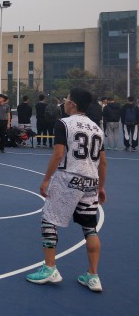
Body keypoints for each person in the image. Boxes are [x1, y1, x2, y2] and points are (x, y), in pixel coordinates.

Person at [26, 88, 107, 293]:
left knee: (49, 219)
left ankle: (50, 268)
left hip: (69, 177)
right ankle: (93, 275)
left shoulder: (64, 123)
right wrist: (101, 187)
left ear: (73, 104)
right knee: (90, 228)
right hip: (91, 181)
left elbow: (58, 153)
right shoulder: (97, 128)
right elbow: (103, 162)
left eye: (67, 100)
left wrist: (46, 179)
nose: (64, 103)